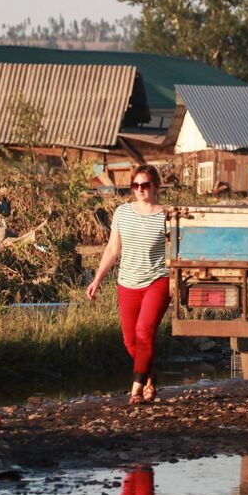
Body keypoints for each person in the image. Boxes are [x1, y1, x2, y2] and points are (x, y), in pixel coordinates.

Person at [87, 163, 170, 405]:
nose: (140, 189)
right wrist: (97, 279)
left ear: (155, 186)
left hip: (157, 279)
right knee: (129, 340)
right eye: (135, 185)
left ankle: (135, 390)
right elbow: (113, 249)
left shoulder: (167, 216)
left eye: (145, 185)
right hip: (127, 282)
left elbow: (177, 249)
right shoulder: (122, 213)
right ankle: (150, 377)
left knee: (144, 333)